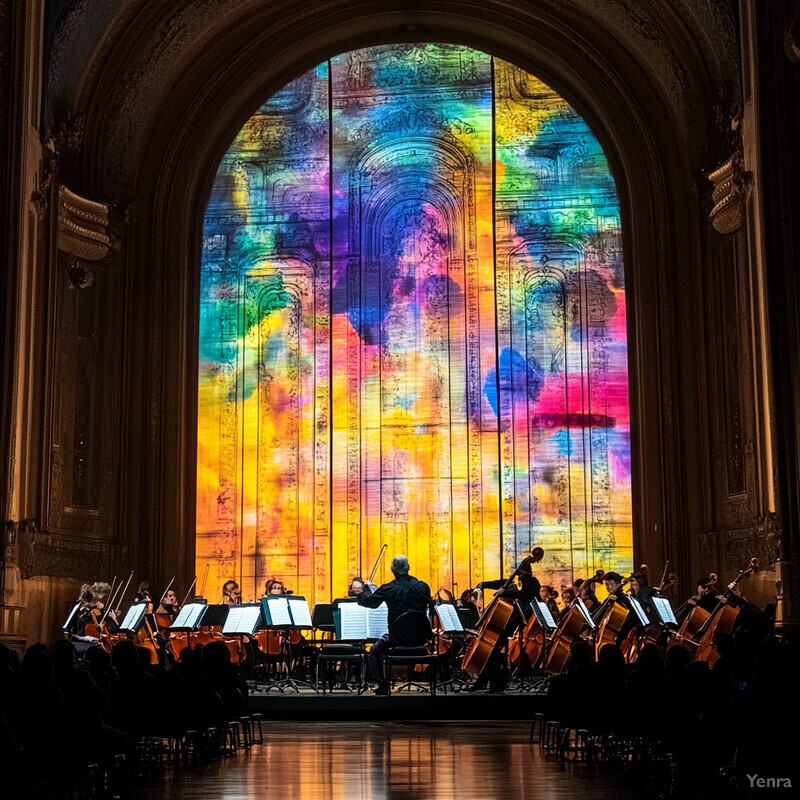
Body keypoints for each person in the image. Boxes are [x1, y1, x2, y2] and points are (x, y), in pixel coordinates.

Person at [357, 555, 432, 695]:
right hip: (421, 640)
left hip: (397, 639)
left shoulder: (389, 588)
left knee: (373, 651)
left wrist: (366, 588)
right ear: (408, 568)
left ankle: (382, 684)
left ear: (392, 570)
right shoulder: (423, 587)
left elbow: (368, 602)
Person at [471, 562, 541, 692]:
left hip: (514, 621)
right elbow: (501, 583)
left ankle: (496, 684)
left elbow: (523, 594)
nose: (517, 574)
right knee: (491, 652)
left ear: (525, 571)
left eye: (519, 571)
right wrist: (483, 585)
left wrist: (505, 592)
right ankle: (486, 682)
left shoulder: (533, 582)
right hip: (507, 621)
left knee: (492, 652)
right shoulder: (515, 582)